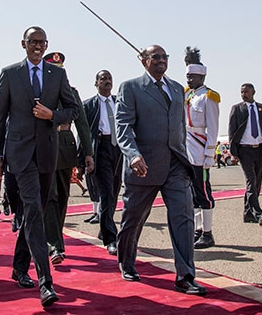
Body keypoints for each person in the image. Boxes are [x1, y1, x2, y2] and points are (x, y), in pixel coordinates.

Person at [0, 26, 78, 307]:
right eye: (33, 42)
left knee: (30, 212)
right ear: (23, 44)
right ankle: (45, 282)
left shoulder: (57, 74)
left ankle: (18, 267)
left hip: (47, 155)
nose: (38, 46)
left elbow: (73, 109)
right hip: (20, 155)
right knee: (35, 211)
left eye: (42, 42)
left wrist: (53, 115)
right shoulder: (10, 73)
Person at [116, 45, 206, 295]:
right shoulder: (130, 87)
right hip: (144, 166)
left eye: (164, 57)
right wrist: (133, 155)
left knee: (184, 218)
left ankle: (185, 276)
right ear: (143, 61)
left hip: (176, 165)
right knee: (133, 219)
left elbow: (179, 127)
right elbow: (122, 126)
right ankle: (126, 262)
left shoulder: (177, 89)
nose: (161, 61)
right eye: (155, 57)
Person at [42, 51, 92, 265]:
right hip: (44, 145)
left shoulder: (71, 92)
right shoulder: (39, 90)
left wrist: (88, 153)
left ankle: (54, 237)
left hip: (65, 147)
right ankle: (56, 245)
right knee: (50, 196)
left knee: (62, 197)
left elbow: (82, 124)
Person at [182, 47, 221, 250]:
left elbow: (213, 128)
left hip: (199, 147)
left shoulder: (209, 97)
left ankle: (208, 232)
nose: (188, 79)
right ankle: (198, 230)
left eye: (192, 76)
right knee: (193, 194)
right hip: (186, 147)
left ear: (201, 76)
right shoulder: (187, 94)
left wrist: (209, 154)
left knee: (203, 192)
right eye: (187, 76)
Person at [228, 83, 262, 226]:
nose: (243, 94)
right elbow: (232, 132)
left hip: (259, 149)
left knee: (256, 183)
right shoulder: (237, 109)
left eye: (246, 92)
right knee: (251, 181)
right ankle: (259, 213)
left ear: (253, 92)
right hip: (244, 151)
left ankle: (248, 214)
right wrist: (233, 153)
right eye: (241, 92)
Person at [82, 70, 123, 254]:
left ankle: (103, 228)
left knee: (114, 192)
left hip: (119, 150)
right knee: (105, 192)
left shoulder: (119, 102)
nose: (107, 81)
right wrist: (83, 156)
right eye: (103, 78)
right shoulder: (89, 105)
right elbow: (82, 132)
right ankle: (110, 238)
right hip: (100, 149)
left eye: (109, 78)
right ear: (96, 83)